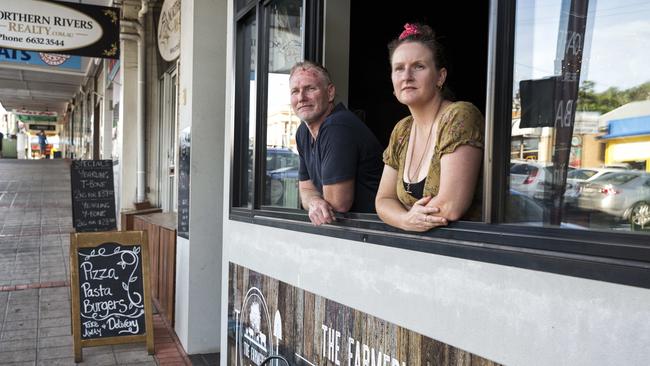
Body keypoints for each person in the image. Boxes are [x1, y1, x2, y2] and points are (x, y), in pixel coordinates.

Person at [375, 23, 484, 232]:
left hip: (467, 255)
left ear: (440, 77)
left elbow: (450, 206)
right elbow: (383, 200)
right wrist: (405, 220)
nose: (406, 76)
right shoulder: (402, 130)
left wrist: (403, 218)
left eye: (418, 66)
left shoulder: (459, 115)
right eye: (399, 68)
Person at [290, 61, 384, 226]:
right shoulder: (303, 132)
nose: (301, 98)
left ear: (330, 92)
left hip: (375, 233)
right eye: (295, 91)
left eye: (310, 89)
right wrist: (314, 202)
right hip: (350, 234)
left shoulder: (337, 126)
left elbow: (338, 204)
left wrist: (316, 202)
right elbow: (306, 190)